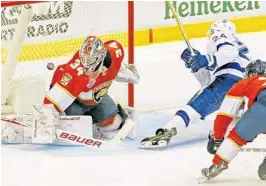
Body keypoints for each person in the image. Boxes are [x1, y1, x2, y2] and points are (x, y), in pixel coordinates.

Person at [140, 19, 252, 148]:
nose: (210, 35)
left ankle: (168, 130)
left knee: (194, 107)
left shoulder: (220, 36)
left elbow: (229, 52)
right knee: (232, 118)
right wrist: (195, 65)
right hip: (246, 89)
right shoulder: (239, 47)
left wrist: (206, 59)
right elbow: (206, 81)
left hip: (228, 82)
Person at [43, 36, 139, 140]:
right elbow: (54, 100)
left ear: (101, 57)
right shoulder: (74, 73)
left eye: (90, 60)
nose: (85, 65)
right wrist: (44, 121)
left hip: (95, 95)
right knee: (74, 130)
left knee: (114, 125)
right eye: (83, 59)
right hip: (72, 99)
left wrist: (123, 70)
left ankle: (94, 126)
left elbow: (115, 62)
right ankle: (75, 121)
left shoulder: (115, 51)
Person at [198, 59, 266, 183]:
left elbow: (224, 115)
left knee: (238, 135)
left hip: (262, 108)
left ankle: (217, 166)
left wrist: (217, 138)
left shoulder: (245, 83)